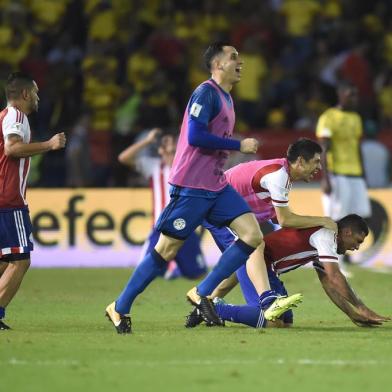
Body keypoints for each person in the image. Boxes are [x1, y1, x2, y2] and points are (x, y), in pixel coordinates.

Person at [105, 42, 301, 334]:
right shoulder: (205, 92)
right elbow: (196, 136)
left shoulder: (227, 98)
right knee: (165, 251)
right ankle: (119, 307)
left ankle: (203, 291)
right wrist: (239, 145)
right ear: (218, 64)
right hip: (191, 185)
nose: (240, 62)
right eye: (233, 57)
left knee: (251, 235)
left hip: (216, 184)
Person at [186, 215, 390, 329]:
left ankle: (210, 306)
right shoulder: (326, 236)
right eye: (357, 241)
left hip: (268, 269)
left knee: (286, 321)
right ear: (346, 232)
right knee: (272, 321)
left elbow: (329, 282)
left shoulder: (324, 243)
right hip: (256, 263)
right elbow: (336, 277)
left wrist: (352, 314)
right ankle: (213, 308)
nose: (357, 247)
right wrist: (362, 307)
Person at [200, 138, 337, 302]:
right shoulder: (279, 176)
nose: (319, 167)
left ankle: (206, 303)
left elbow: (277, 218)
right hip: (215, 207)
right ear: (300, 161)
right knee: (252, 247)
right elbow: (285, 220)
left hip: (223, 208)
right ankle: (266, 300)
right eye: (316, 161)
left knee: (247, 255)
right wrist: (322, 221)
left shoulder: (281, 174)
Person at [0, 72, 66, 330]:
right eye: (36, 93)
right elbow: (12, 148)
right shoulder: (16, 116)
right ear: (25, 94)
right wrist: (49, 145)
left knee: (5, 260)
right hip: (9, 200)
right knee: (20, 260)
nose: (38, 98)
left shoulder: (4, 117)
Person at [118, 127, 207, 280]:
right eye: (169, 150)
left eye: (174, 151)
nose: (172, 155)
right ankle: (170, 269)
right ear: (161, 151)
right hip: (161, 229)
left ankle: (176, 269)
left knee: (198, 274)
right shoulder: (154, 167)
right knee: (144, 273)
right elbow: (123, 158)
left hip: (185, 228)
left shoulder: (189, 168)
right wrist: (147, 141)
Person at [316, 81, 371, 223]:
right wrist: (325, 178)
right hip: (337, 174)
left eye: (356, 95)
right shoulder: (329, 117)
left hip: (356, 174)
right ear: (340, 95)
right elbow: (323, 148)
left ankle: (347, 245)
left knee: (361, 216)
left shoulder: (356, 118)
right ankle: (333, 245)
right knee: (338, 218)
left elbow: (357, 147)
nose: (354, 99)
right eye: (351, 95)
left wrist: (363, 173)